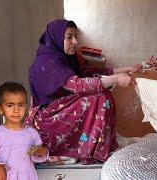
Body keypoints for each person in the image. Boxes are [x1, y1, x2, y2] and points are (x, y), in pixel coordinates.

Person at [26, 19, 140, 165]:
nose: (74, 42)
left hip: (62, 108)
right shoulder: (46, 62)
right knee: (99, 98)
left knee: (101, 95)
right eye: (69, 37)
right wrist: (116, 79)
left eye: (76, 37)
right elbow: (78, 85)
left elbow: (91, 72)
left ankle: (96, 147)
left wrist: (126, 69)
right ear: (56, 37)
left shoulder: (68, 58)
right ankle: (89, 149)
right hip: (47, 118)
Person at [0, 82, 48, 180]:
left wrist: (41, 152)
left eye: (20, 105)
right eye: (10, 105)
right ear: (0, 109)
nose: (16, 110)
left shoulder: (31, 133)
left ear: (26, 106)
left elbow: (38, 154)